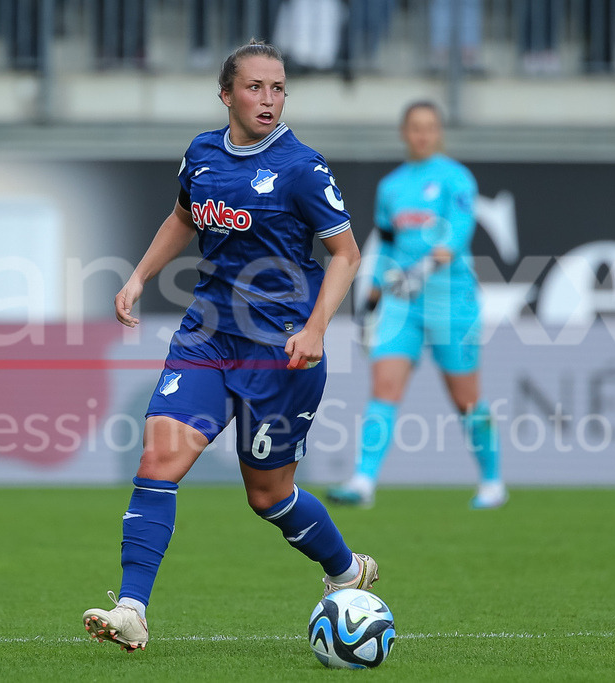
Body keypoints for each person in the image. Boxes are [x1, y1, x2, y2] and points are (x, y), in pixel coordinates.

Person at [82, 39, 377, 653]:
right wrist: (138, 277)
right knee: (158, 463)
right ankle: (133, 608)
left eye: (278, 88)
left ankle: (347, 572)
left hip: (282, 350)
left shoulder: (302, 168)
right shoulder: (202, 153)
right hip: (209, 335)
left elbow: (345, 254)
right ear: (227, 95)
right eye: (255, 87)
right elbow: (185, 217)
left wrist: (318, 328)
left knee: (268, 496)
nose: (268, 99)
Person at [327, 101, 506, 511]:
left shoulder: (456, 178)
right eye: (415, 127)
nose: (422, 134)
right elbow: (387, 244)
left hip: (450, 298)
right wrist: (371, 296)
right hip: (402, 302)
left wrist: (426, 265)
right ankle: (363, 481)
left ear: (439, 132)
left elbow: (458, 230)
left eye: (430, 127)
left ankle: (493, 482)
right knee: (383, 388)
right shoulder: (391, 186)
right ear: (404, 132)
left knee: (466, 399)